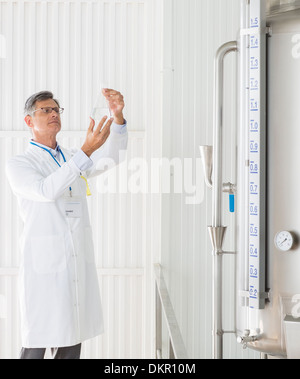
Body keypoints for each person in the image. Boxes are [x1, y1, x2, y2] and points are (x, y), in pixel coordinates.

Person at [5, 89, 128, 359]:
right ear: (29, 121)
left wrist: (117, 119)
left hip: (75, 264)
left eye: (56, 110)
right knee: (36, 344)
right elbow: (45, 190)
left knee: (72, 340)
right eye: (45, 110)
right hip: (44, 271)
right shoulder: (20, 163)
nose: (53, 114)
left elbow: (111, 158)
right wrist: (84, 151)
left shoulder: (70, 156)